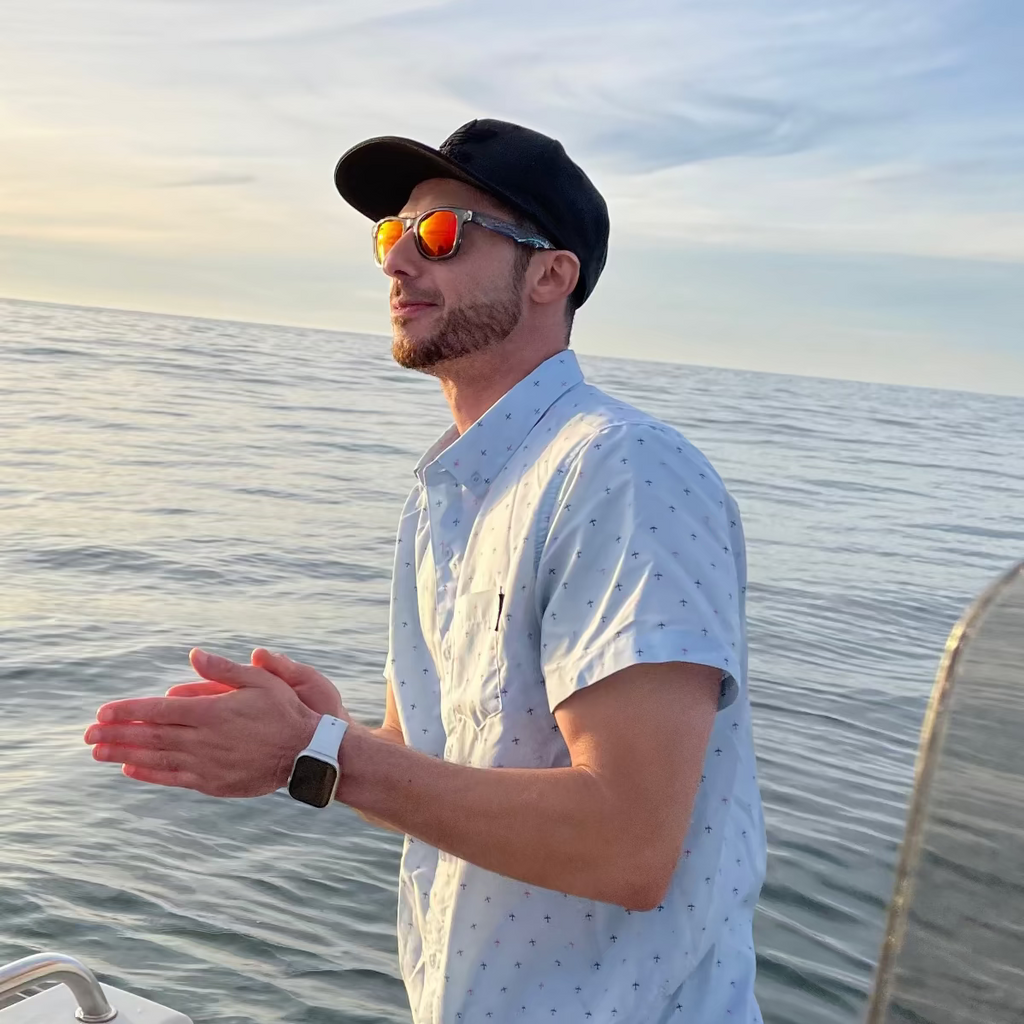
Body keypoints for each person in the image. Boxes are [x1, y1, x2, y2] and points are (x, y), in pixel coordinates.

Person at [84, 119, 767, 1023]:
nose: (399, 262)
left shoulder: (623, 468)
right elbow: (421, 777)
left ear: (549, 276)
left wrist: (323, 752)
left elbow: (628, 843)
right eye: (390, 235)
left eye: (441, 235)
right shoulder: (445, 498)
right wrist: (322, 741)